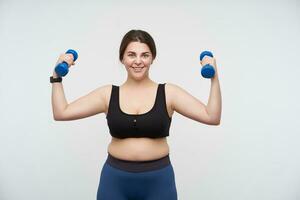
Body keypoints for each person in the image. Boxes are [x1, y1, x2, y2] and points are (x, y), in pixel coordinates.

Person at [50, 29, 222, 200]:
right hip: (115, 182)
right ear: (122, 58)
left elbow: (211, 116)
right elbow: (61, 112)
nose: (138, 61)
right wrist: (56, 77)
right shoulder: (107, 95)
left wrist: (214, 76)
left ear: (152, 58)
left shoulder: (169, 93)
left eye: (145, 55)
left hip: (158, 182)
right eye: (131, 55)